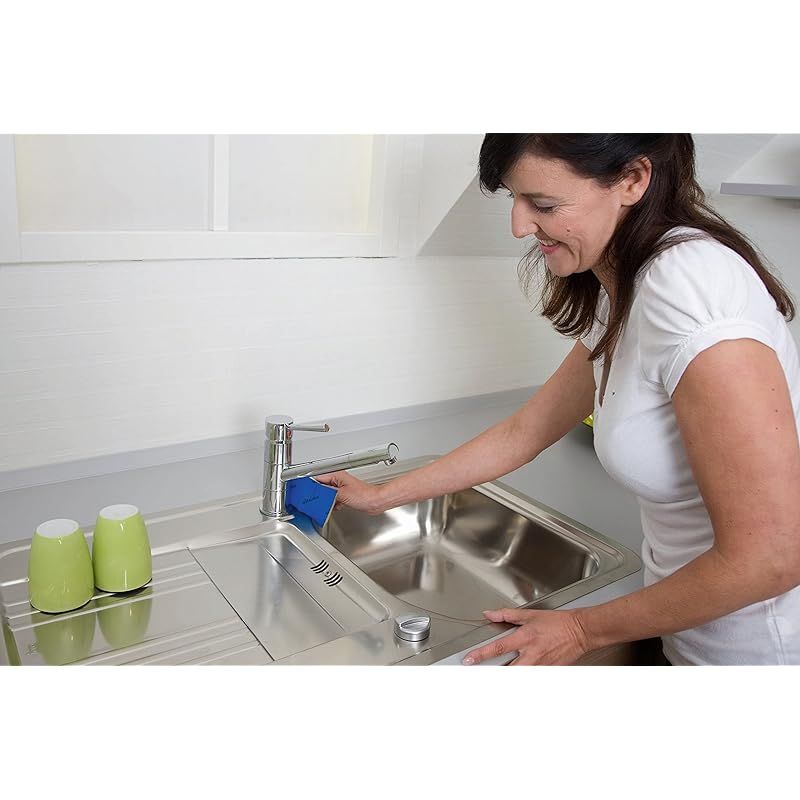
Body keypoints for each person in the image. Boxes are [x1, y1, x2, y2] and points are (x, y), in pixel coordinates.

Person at [317, 134, 800, 666]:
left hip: (758, 651)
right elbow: (525, 431)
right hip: (688, 629)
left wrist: (580, 629)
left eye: (544, 205)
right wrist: (382, 496)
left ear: (633, 180)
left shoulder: (691, 291)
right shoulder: (633, 279)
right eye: (515, 199)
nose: (519, 226)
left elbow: (773, 558)